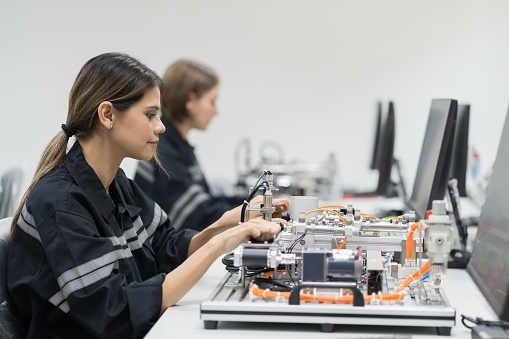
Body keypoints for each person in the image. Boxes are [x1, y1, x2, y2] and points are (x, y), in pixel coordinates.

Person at [7, 52, 289, 338]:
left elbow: (166, 248)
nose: (161, 126)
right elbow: (115, 313)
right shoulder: (61, 201)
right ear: (107, 115)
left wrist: (227, 224)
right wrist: (220, 244)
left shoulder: (116, 183)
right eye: (150, 114)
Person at [134, 59, 247, 232]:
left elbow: (207, 200)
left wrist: (253, 202)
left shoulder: (179, 144)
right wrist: (253, 211)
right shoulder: (162, 148)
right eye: (212, 101)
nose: (216, 111)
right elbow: (198, 216)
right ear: (191, 100)